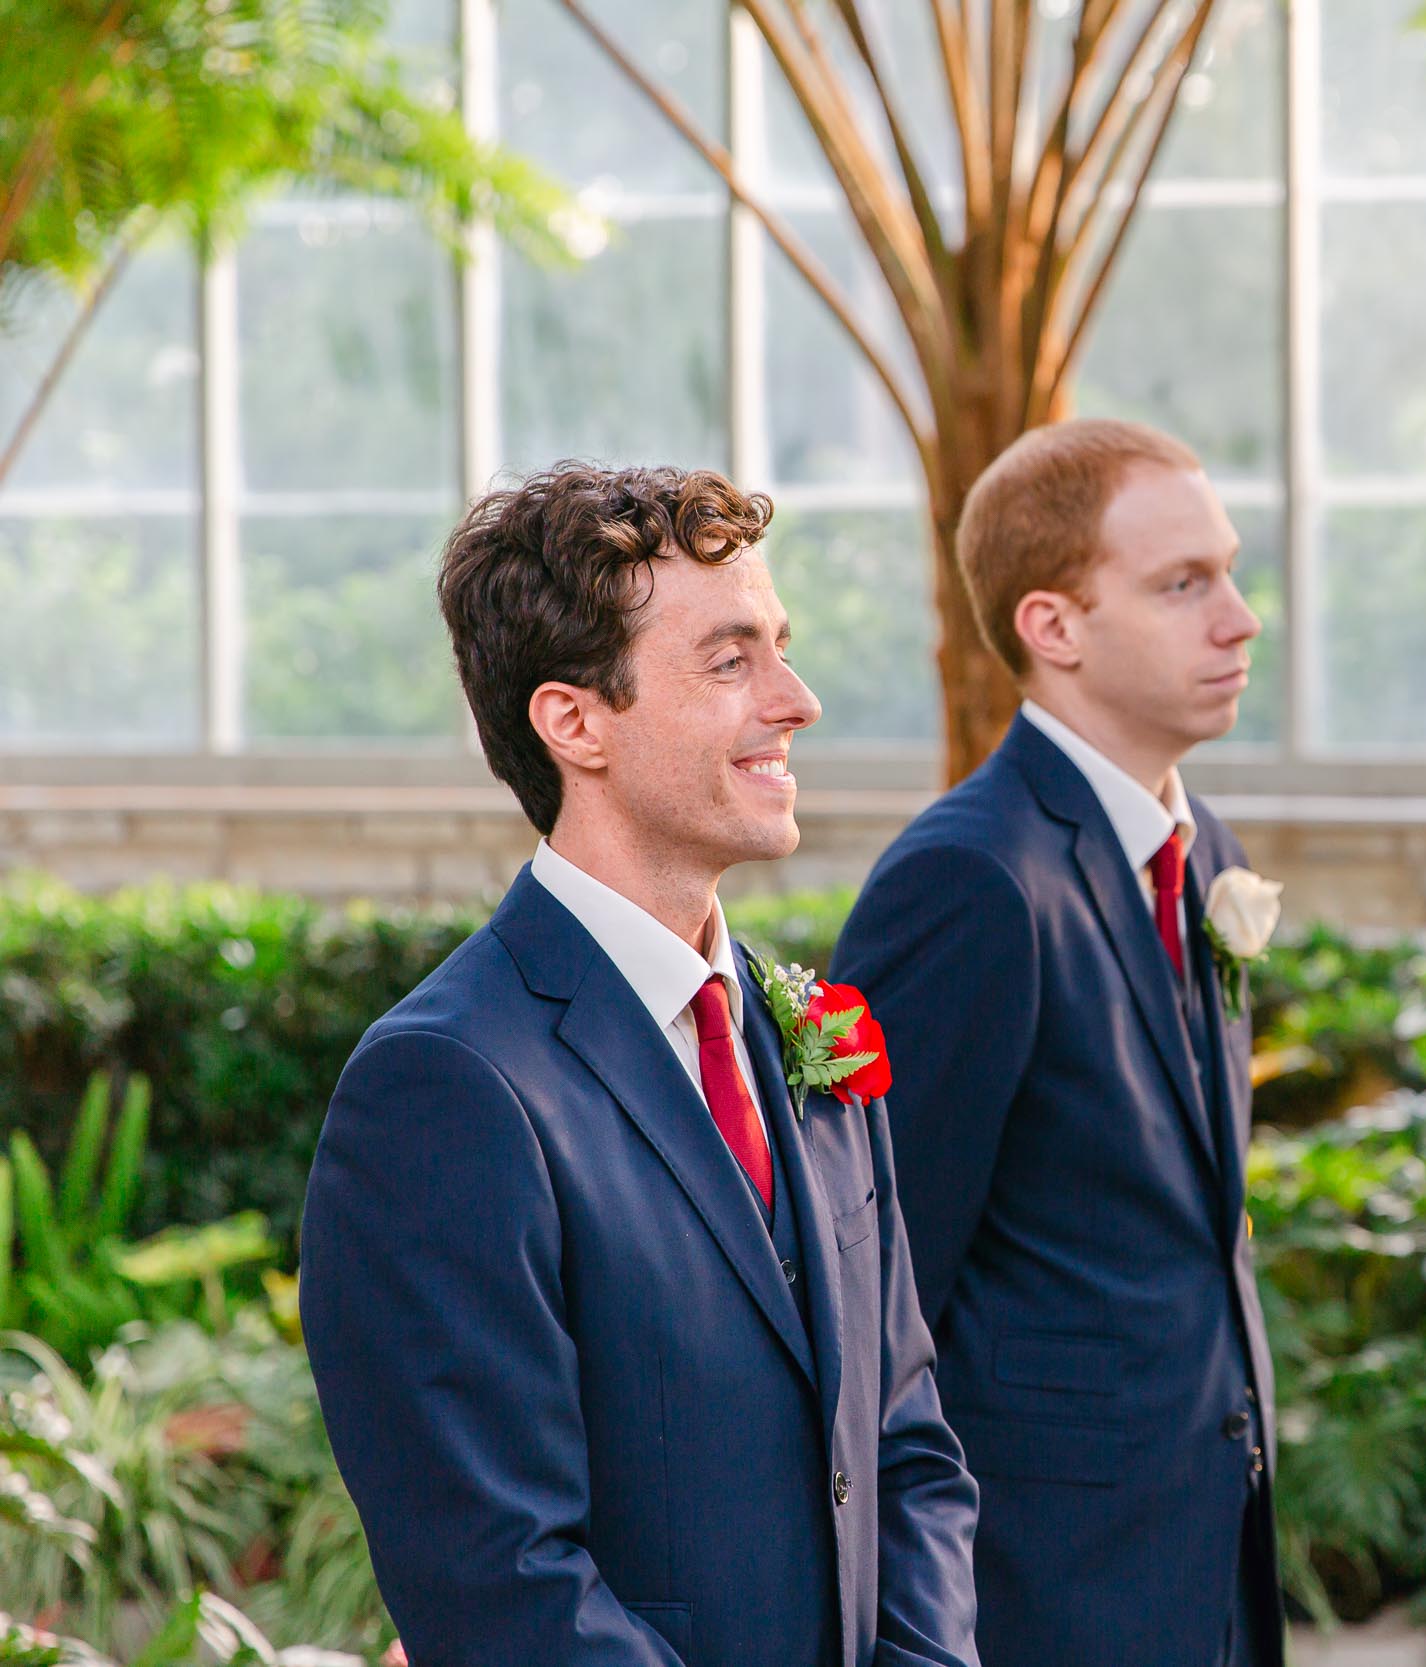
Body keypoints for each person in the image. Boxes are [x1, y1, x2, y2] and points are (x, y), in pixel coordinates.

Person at [298, 463, 980, 1667]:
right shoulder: (445, 1086)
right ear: (574, 722)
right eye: (731, 662)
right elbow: (500, 1578)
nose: (797, 698)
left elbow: (904, 1441)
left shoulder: (805, 1030)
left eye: (781, 647)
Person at [831, 419, 1284, 1667]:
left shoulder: (1211, 857)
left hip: (1209, 1549)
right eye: (1183, 583)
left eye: (1229, 571)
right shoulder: (969, 881)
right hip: (1043, 1586)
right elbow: (877, 1285)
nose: (1240, 618)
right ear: (1054, 625)